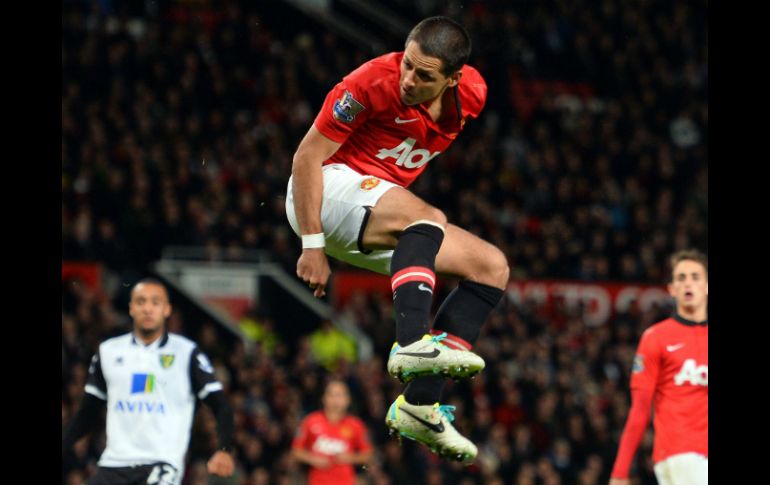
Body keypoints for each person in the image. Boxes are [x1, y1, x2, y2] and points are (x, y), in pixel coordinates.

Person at [285, 16, 509, 462]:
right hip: (323, 191)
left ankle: (420, 407)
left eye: (424, 75)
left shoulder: (474, 95)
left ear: (454, 80)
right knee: (426, 218)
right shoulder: (369, 82)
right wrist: (312, 242)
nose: (408, 79)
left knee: (491, 267)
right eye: (407, 64)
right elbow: (307, 155)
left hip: (374, 212)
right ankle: (410, 346)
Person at [62, 278, 235, 485]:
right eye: (141, 302)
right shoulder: (108, 351)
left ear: (167, 309)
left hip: (161, 464)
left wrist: (224, 449)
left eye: (155, 302)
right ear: (131, 308)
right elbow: (87, 412)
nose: (148, 309)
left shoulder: (186, 354)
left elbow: (221, 405)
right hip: (114, 464)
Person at [609, 250, 708, 485]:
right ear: (671, 289)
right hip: (679, 454)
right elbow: (640, 410)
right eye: (681, 278)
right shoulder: (656, 338)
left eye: (695, 277)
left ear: (706, 286)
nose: (688, 283)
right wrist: (620, 472)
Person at [291, 379, 373, 484]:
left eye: (340, 395)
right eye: (331, 395)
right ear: (324, 398)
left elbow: (368, 454)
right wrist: (313, 459)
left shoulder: (356, 425)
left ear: (347, 400)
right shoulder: (310, 421)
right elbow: (296, 451)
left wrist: (350, 458)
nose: (335, 399)